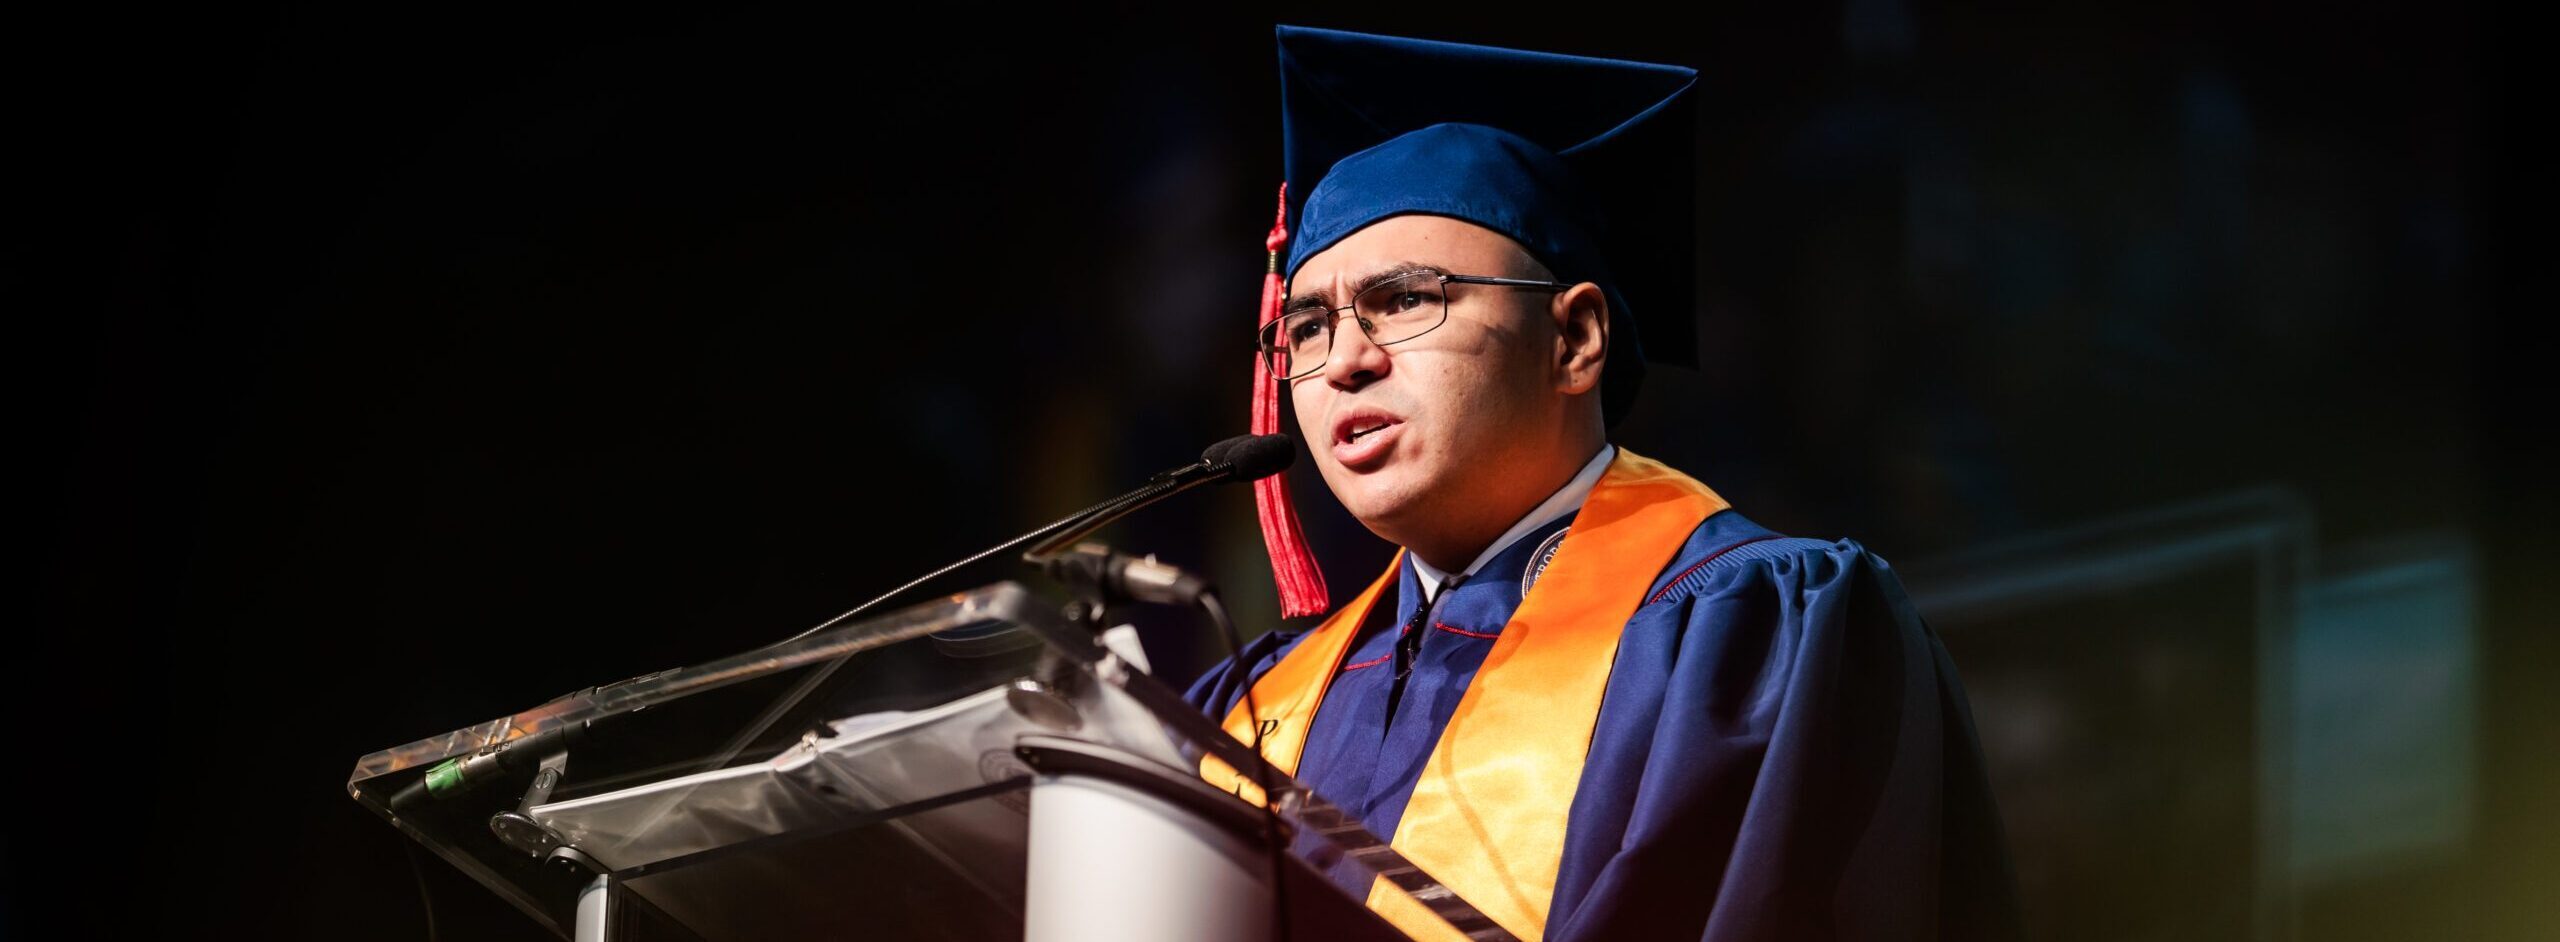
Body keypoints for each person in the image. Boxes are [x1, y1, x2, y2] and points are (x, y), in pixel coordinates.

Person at [1182, 26, 2021, 942]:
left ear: (1575, 341)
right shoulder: (1255, 707)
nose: (1342, 360)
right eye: (1305, 327)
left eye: (1406, 299)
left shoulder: (1749, 632)